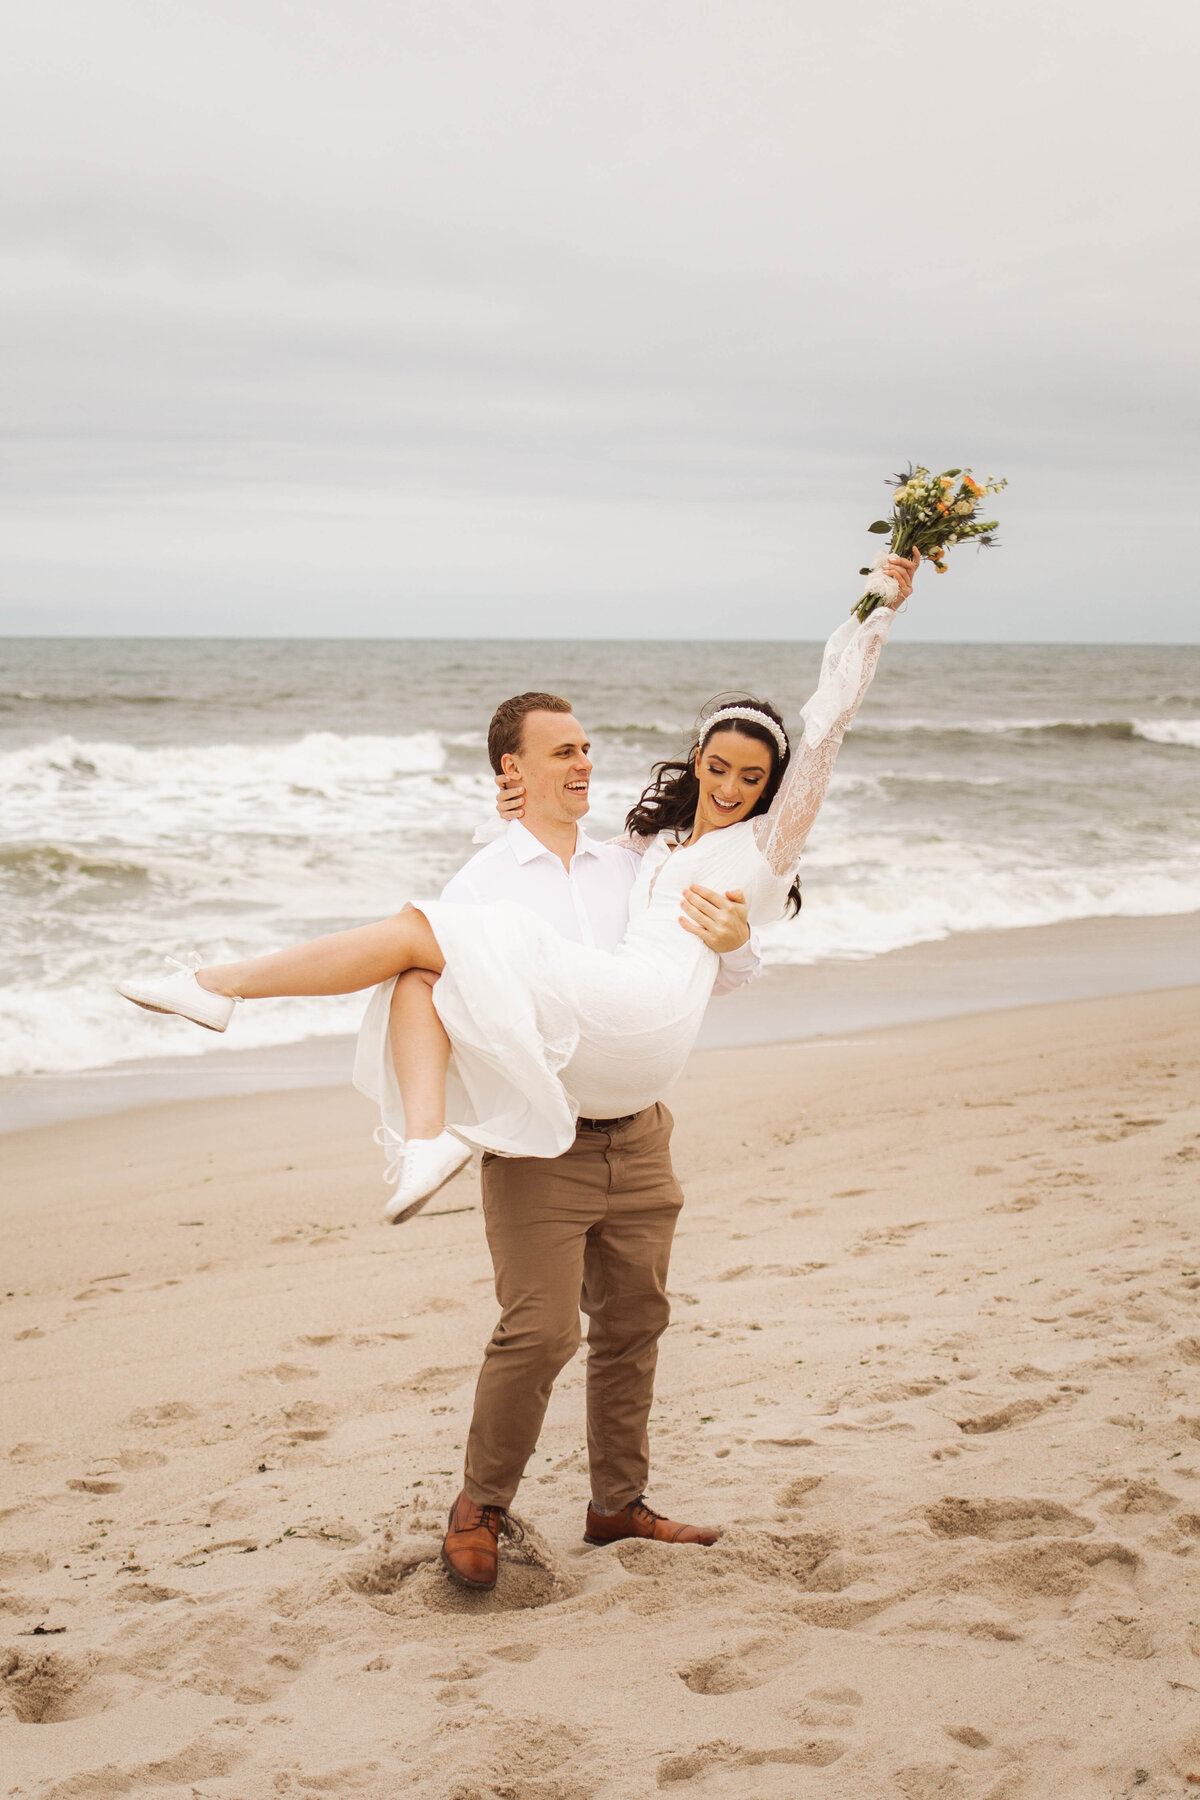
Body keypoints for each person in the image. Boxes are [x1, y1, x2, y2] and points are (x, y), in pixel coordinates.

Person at [117, 555, 916, 1583]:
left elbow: (824, 738)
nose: (727, 785)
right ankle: (478, 1503)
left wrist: (876, 610)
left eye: (748, 776)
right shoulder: (617, 853)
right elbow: (474, 971)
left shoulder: (693, 858)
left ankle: (617, 1505)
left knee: (635, 1321)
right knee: (536, 1326)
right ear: (515, 771)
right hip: (547, 1133)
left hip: (640, 1112)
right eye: (713, 767)